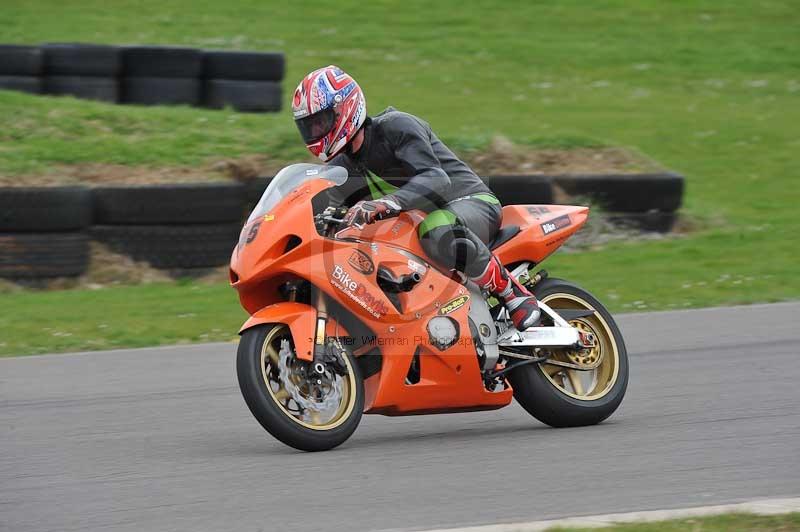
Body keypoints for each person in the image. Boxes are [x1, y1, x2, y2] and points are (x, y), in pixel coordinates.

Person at [291, 65, 540, 330]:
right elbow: (326, 206)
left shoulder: (396, 126)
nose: (316, 131)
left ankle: (512, 292)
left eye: (321, 121)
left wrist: (388, 202)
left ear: (345, 107)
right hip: (427, 214)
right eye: (309, 126)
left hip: (472, 201)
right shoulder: (345, 164)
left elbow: (436, 179)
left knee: (437, 229)